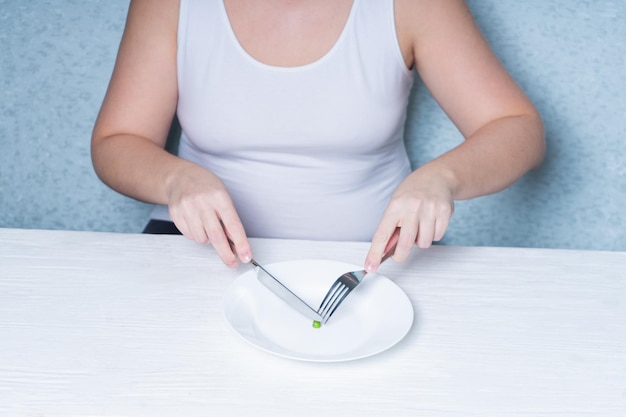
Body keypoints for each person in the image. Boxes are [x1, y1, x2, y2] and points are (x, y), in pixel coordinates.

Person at [91, 0, 545, 273]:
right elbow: (117, 140)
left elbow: (516, 126)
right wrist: (175, 181)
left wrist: (442, 178)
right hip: (194, 253)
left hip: (377, 261)